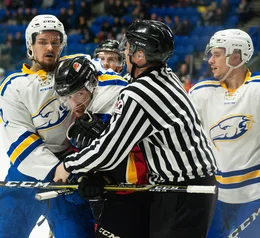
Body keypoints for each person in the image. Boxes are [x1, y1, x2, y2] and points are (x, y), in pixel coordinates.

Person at [54, 20, 218, 238]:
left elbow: (110, 151)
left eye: (129, 47)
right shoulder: (165, 76)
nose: (124, 50)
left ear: (140, 55)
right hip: (186, 186)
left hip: (183, 190)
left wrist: (69, 165)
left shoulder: (139, 93)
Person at [0, 14, 95, 238]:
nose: (50, 47)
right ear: (30, 45)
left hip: (70, 166)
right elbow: (21, 142)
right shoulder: (15, 86)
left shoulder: (75, 73)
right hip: (29, 172)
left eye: (55, 42)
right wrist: (61, 173)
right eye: (43, 41)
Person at [54, 55, 149, 238]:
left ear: (91, 84)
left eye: (79, 94)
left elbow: (118, 150)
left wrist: (95, 174)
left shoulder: (113, 93)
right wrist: (91, 176)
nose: (74, 103)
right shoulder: (87, 99)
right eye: (68, 97)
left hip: (136, 194)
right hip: (117, 195)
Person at [189, 29, 260, 238]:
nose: (210, 60)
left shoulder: (257, 90)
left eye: (216, 54)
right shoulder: (200, 92)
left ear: (235, 56)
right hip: (214, 198)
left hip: (254, 196)